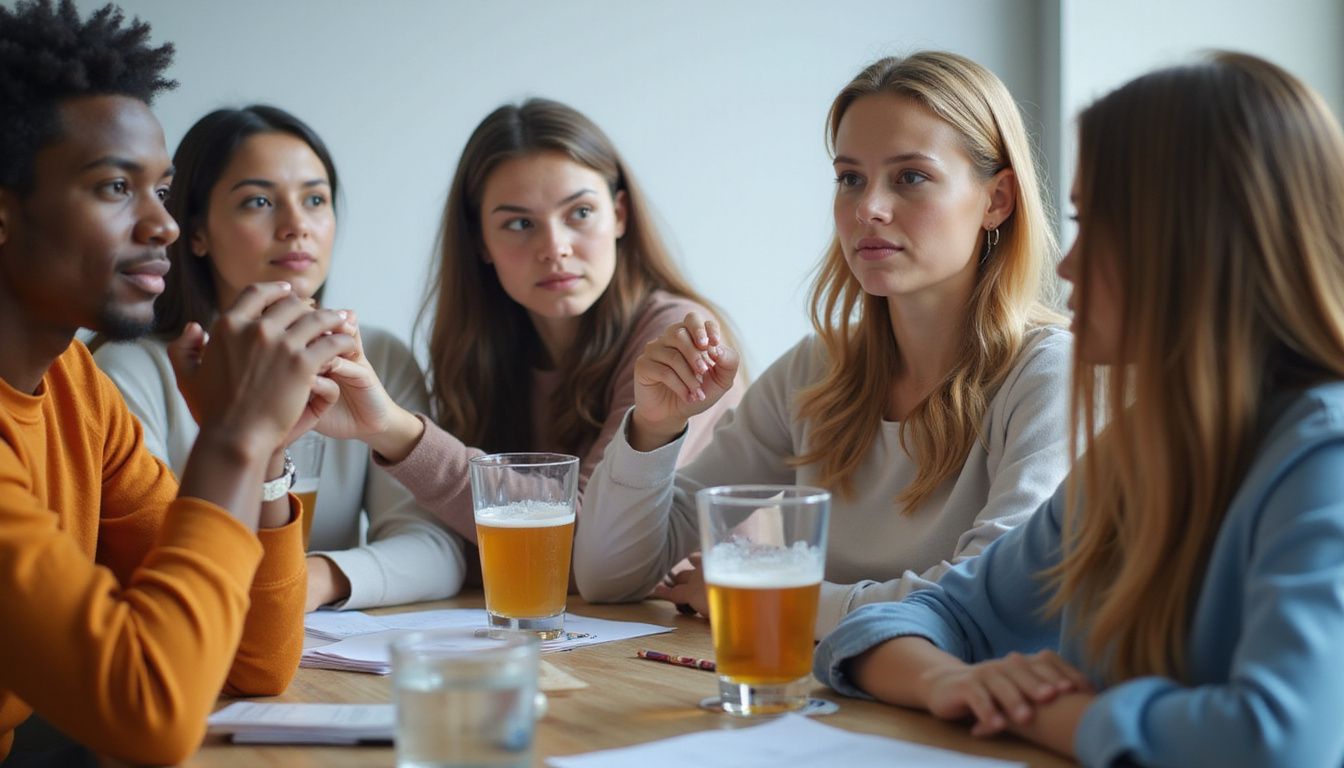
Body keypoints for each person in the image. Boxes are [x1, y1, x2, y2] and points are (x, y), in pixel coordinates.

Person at [814, 52, 1344, 767]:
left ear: (1200, 243)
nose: (1065, 266)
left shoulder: (1325, 456)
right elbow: (906, 622)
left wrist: (1045, 713)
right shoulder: (1144, 449)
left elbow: (1276, 742)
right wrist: (954, 682)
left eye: (1099, 223)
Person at [574, 51, 1073, 639]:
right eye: (850, 178)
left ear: (997, 200)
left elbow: (991, 604)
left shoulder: (1050, 376)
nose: (869, 208)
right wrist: (653, 431)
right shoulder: (817, 371)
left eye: (910, 176)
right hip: (827, 703)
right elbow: (608, 578)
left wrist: (771, 596)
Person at [0, 0, 356, 764]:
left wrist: (262, 465)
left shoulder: (74, 384)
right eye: (112, 188)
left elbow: (253, 662)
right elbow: (150, 714)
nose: (161, 226)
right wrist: (232, 436)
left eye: (160, 189)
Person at [317, 98, 741, 581]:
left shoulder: (675, 339)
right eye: (519, 224)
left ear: (619, 214)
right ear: (480, 241)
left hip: (689, 638)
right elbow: (468, 550)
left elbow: (576, 545)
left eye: (579, 212)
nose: (554, 248)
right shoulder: (483, 348)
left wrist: (390, 427)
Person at [93, 105, 466, 612]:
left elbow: (438, 551)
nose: (296, 226)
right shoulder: (132, 368)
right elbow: (158, 560)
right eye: (259, 201)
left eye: (315, 199)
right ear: (194, 231)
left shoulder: (374, 357)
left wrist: (313, 580)